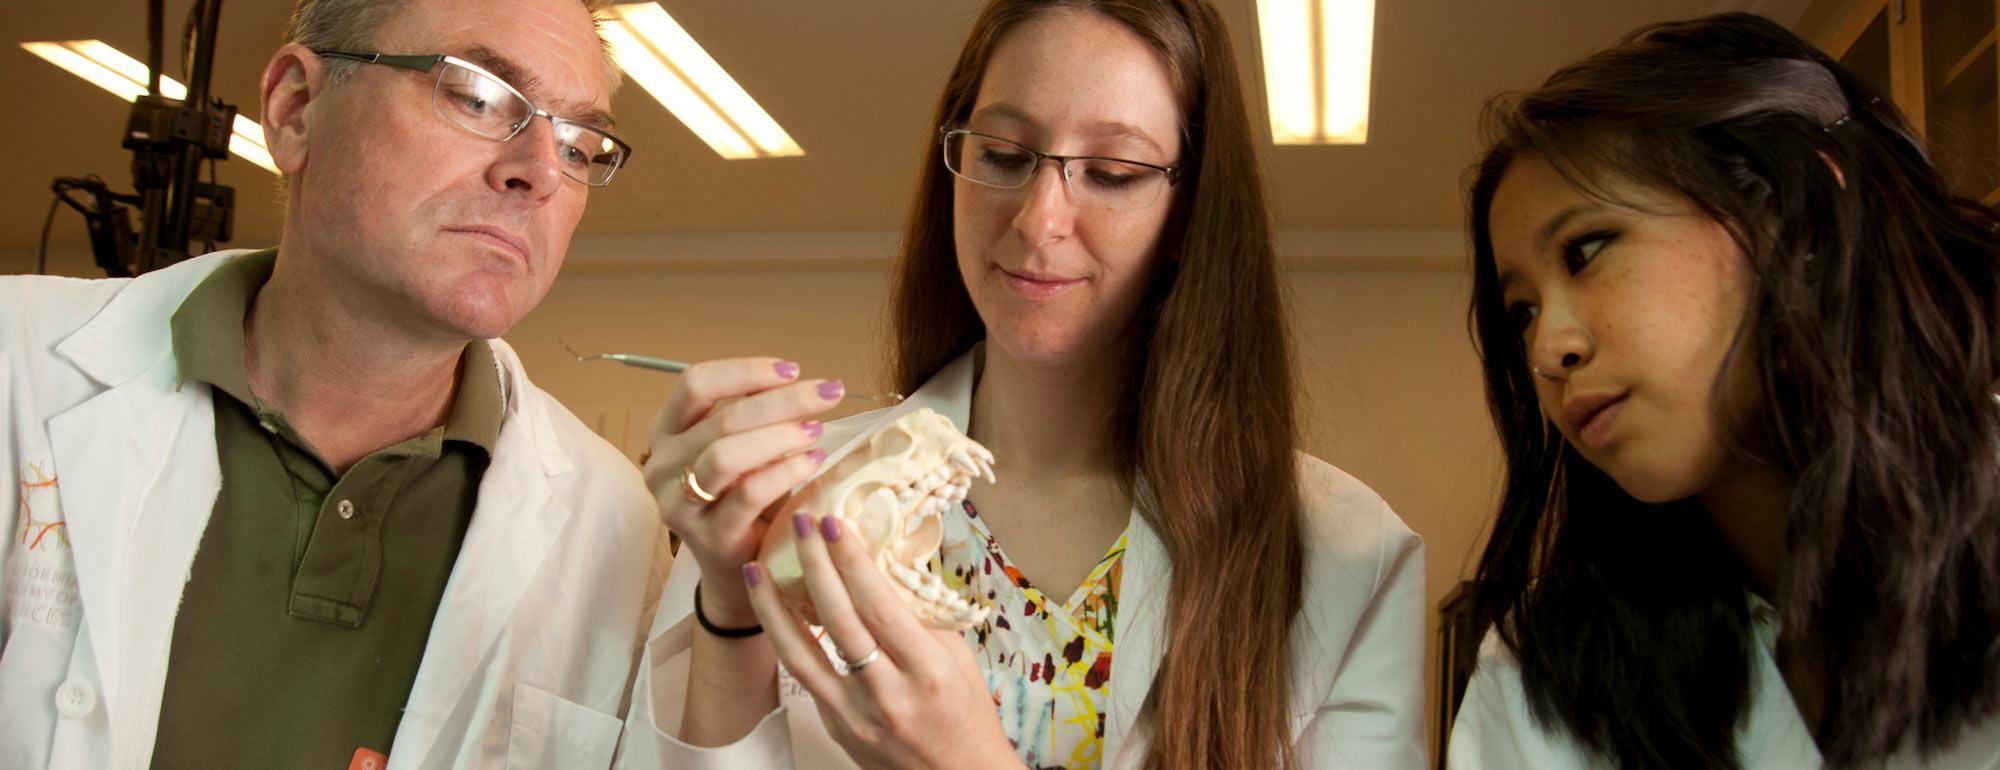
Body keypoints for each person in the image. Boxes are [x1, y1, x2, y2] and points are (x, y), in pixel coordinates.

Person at [617, 1, 1426, 768]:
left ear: (1189, 215)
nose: (1040, 220)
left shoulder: (1349, 556)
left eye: (1111, 172)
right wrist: (731, 600)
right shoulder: (795, 496)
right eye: (1004, 155)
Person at [0, 0, 667, 767]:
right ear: (295, 110)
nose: (542, 173)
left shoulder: (615, 519)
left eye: (579, 145)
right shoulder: (18, 367)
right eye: (479, 96)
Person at [1448, 12, 2000, 770]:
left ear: (1798, 212)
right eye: (1522, 313)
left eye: (1588, 250)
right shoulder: (1541, 666)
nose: (1549, 348)